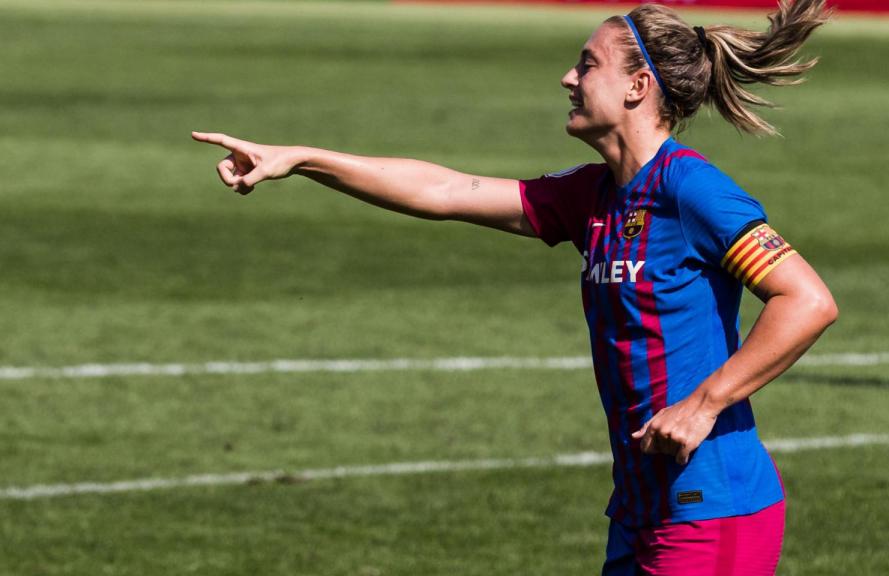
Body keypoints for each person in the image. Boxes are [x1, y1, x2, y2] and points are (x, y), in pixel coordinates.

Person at [192, 1, 836, 574]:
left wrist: (704, 404)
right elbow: (443, 190)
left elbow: (806, 300)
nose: (568, 78)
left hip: (711, 510)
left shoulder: (691, 189)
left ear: (639, 86)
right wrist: (302, 158)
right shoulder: (594, 196)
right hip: (641, 509)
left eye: (588, 65)